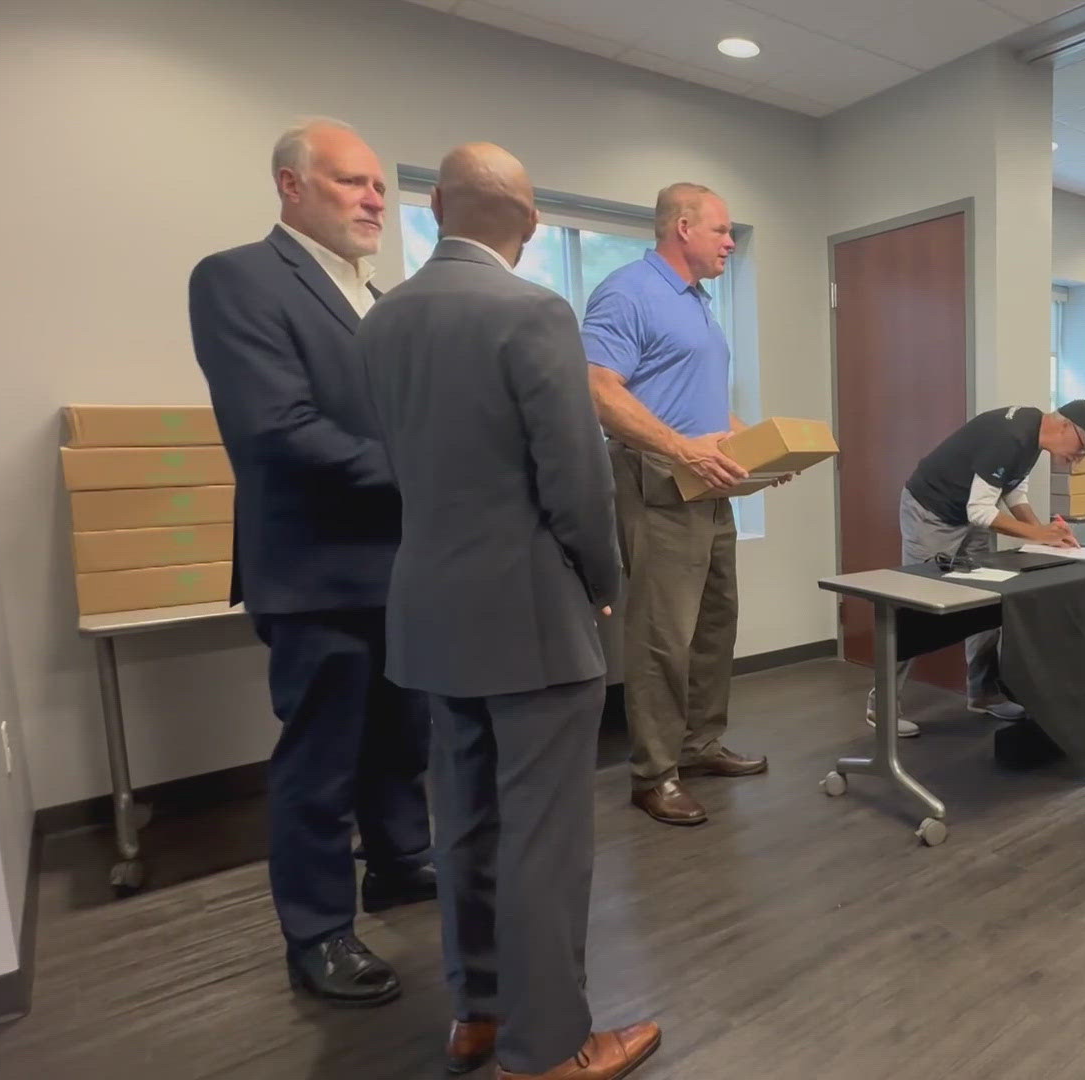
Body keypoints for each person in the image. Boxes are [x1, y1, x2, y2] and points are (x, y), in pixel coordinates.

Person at [358, 143, 660, 1080]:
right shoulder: (533, 311)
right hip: (531, 614)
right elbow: (577, 482)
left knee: (466, 823)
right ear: (530, 228)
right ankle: (549, 1047)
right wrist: (602, 577)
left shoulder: (381, 318)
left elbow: (392, 463)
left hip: (428, 613)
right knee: (545, 839)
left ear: (437, 205)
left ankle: (479, 1012)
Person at [188, 118, 433, 1007]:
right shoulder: (239, 278)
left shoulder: (380, 296)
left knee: (403, 737)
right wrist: (427, 475)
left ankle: (402, 864)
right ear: (291, 186)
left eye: (379, 185)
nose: (374, 199)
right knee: (320, 762)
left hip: (400, 563)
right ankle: (319, 932)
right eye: (351, 183)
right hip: (317, 568)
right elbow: (275, 431)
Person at [583, 182, 770, 827]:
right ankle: (653, 773)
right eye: (721, 231)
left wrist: (763, 451)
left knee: (716, 623)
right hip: (657, 482)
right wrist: (680, 449)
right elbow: (598, 390)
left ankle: (697, 745)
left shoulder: (699, 303)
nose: (729, 242)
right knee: (662, 636)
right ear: (682, 227)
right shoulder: (628, 291)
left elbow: (700, 402)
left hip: (710, 486)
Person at [866, 402, 1085, 736]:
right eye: (1083, 446)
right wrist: (1038, 533)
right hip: (931, 511)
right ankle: (883, 706)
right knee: (912, 608)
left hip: (966, 511)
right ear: (1064, 425)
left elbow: (1012, 489)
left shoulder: (1035, 435)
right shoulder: (1010, 436)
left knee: (986, 602)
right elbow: (981, 511)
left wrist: (1047, 537)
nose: (1080, 456)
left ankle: (983, 693)